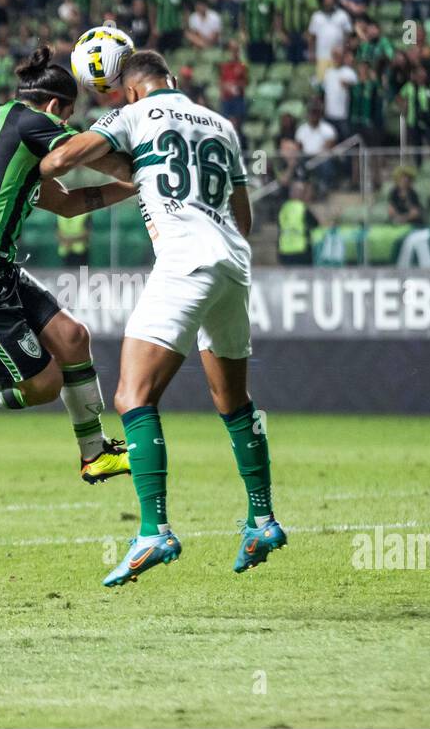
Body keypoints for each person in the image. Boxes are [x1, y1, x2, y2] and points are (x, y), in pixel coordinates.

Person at [41, 50, 286, 585]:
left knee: (133, 396)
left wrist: (69, 140)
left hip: (184, 260)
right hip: (232, 263)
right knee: (233, 400)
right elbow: (243, 217)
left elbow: (58, 163)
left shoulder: (134, 115)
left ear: (130, 90)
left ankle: (154, 530)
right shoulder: (221, 124)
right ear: (171, 80)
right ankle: (262, 518)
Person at [0, 46, 136, 486]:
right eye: (66, 119)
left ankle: (95, 455)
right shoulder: (30, 122)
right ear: (55, 108)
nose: (65, 127)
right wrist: (139, 158)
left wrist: (133, 186)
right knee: (42, 386)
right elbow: (78, 155)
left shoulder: (2, 129)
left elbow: (70, 204)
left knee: (72, 337)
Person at [278, 180, 318, 265]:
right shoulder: (303, 208)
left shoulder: (283, 208)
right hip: (301, 250)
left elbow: (279, 225)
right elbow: (315, 225)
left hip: (284, 249)